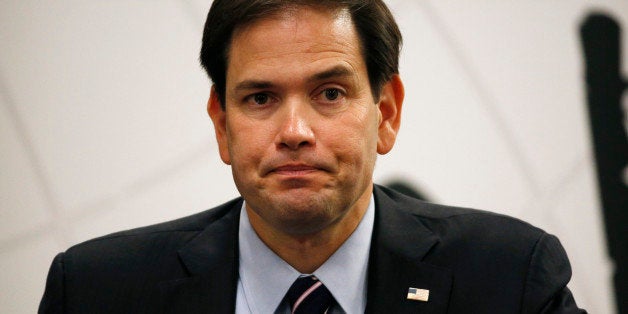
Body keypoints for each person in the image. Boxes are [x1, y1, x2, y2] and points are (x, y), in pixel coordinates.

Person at [39, 0, 586, 313]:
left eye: (329, 94)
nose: (295, 131)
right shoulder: (95, 292)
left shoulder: (511, 281)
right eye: (261, 98)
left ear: (386, 113)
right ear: (222, 124)